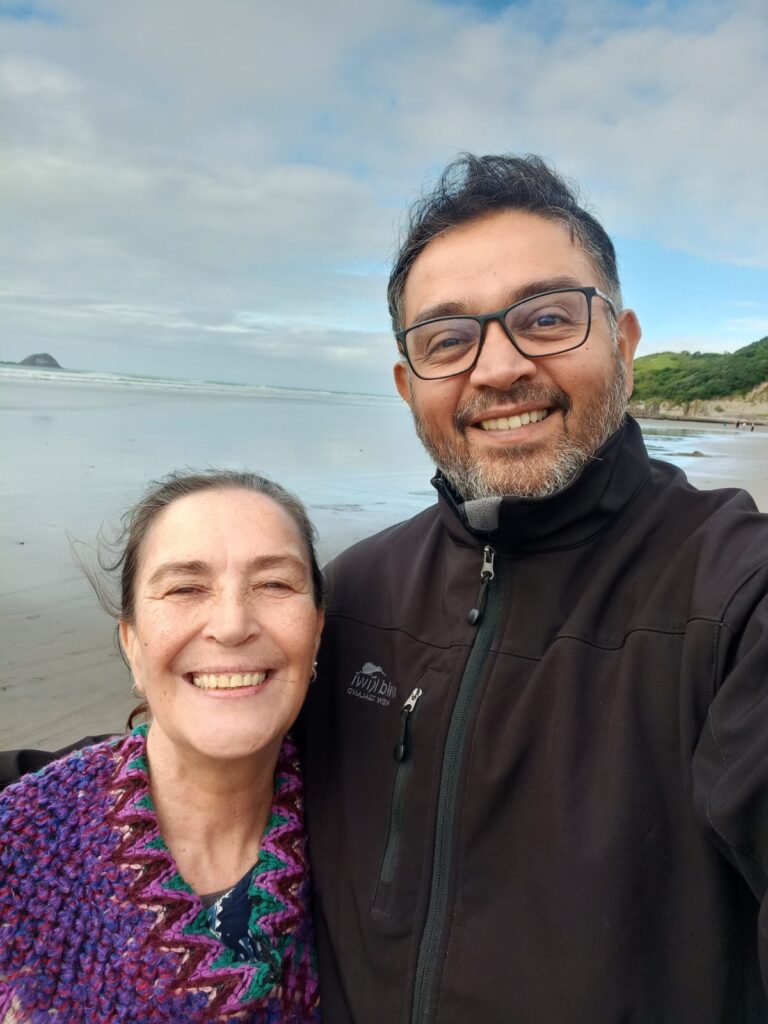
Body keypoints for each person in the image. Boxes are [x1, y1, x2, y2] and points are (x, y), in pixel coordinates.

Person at [297, 154, 768, 1023]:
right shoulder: (353, 594)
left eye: (547, 318)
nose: (499, 367)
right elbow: (188, 761)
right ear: (408, 385)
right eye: (447, 340)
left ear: (622, 342)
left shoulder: (737, 594)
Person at [0, 470, 324, 1023]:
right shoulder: (18, 851)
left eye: (273, 584)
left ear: (316, 630)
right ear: (131, 642)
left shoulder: (372, 857)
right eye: (185, 588)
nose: (232, 625)